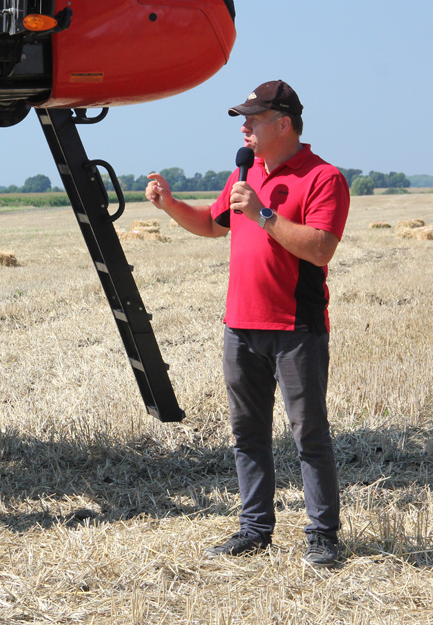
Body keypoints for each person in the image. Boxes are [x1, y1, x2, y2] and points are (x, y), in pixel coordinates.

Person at [144, 80, 350, 567]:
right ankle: (254, 529)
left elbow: (321, 248)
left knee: (309, 436)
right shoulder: (245, 172)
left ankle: (322, 536)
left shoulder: (323, 178)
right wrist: (170, 205)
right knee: (247, 435)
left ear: (284, 124)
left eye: (253, 119)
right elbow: (212, 225)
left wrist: (262, 214)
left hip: (295, 329)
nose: (244, 128)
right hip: (239, 327)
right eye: (243, 120)